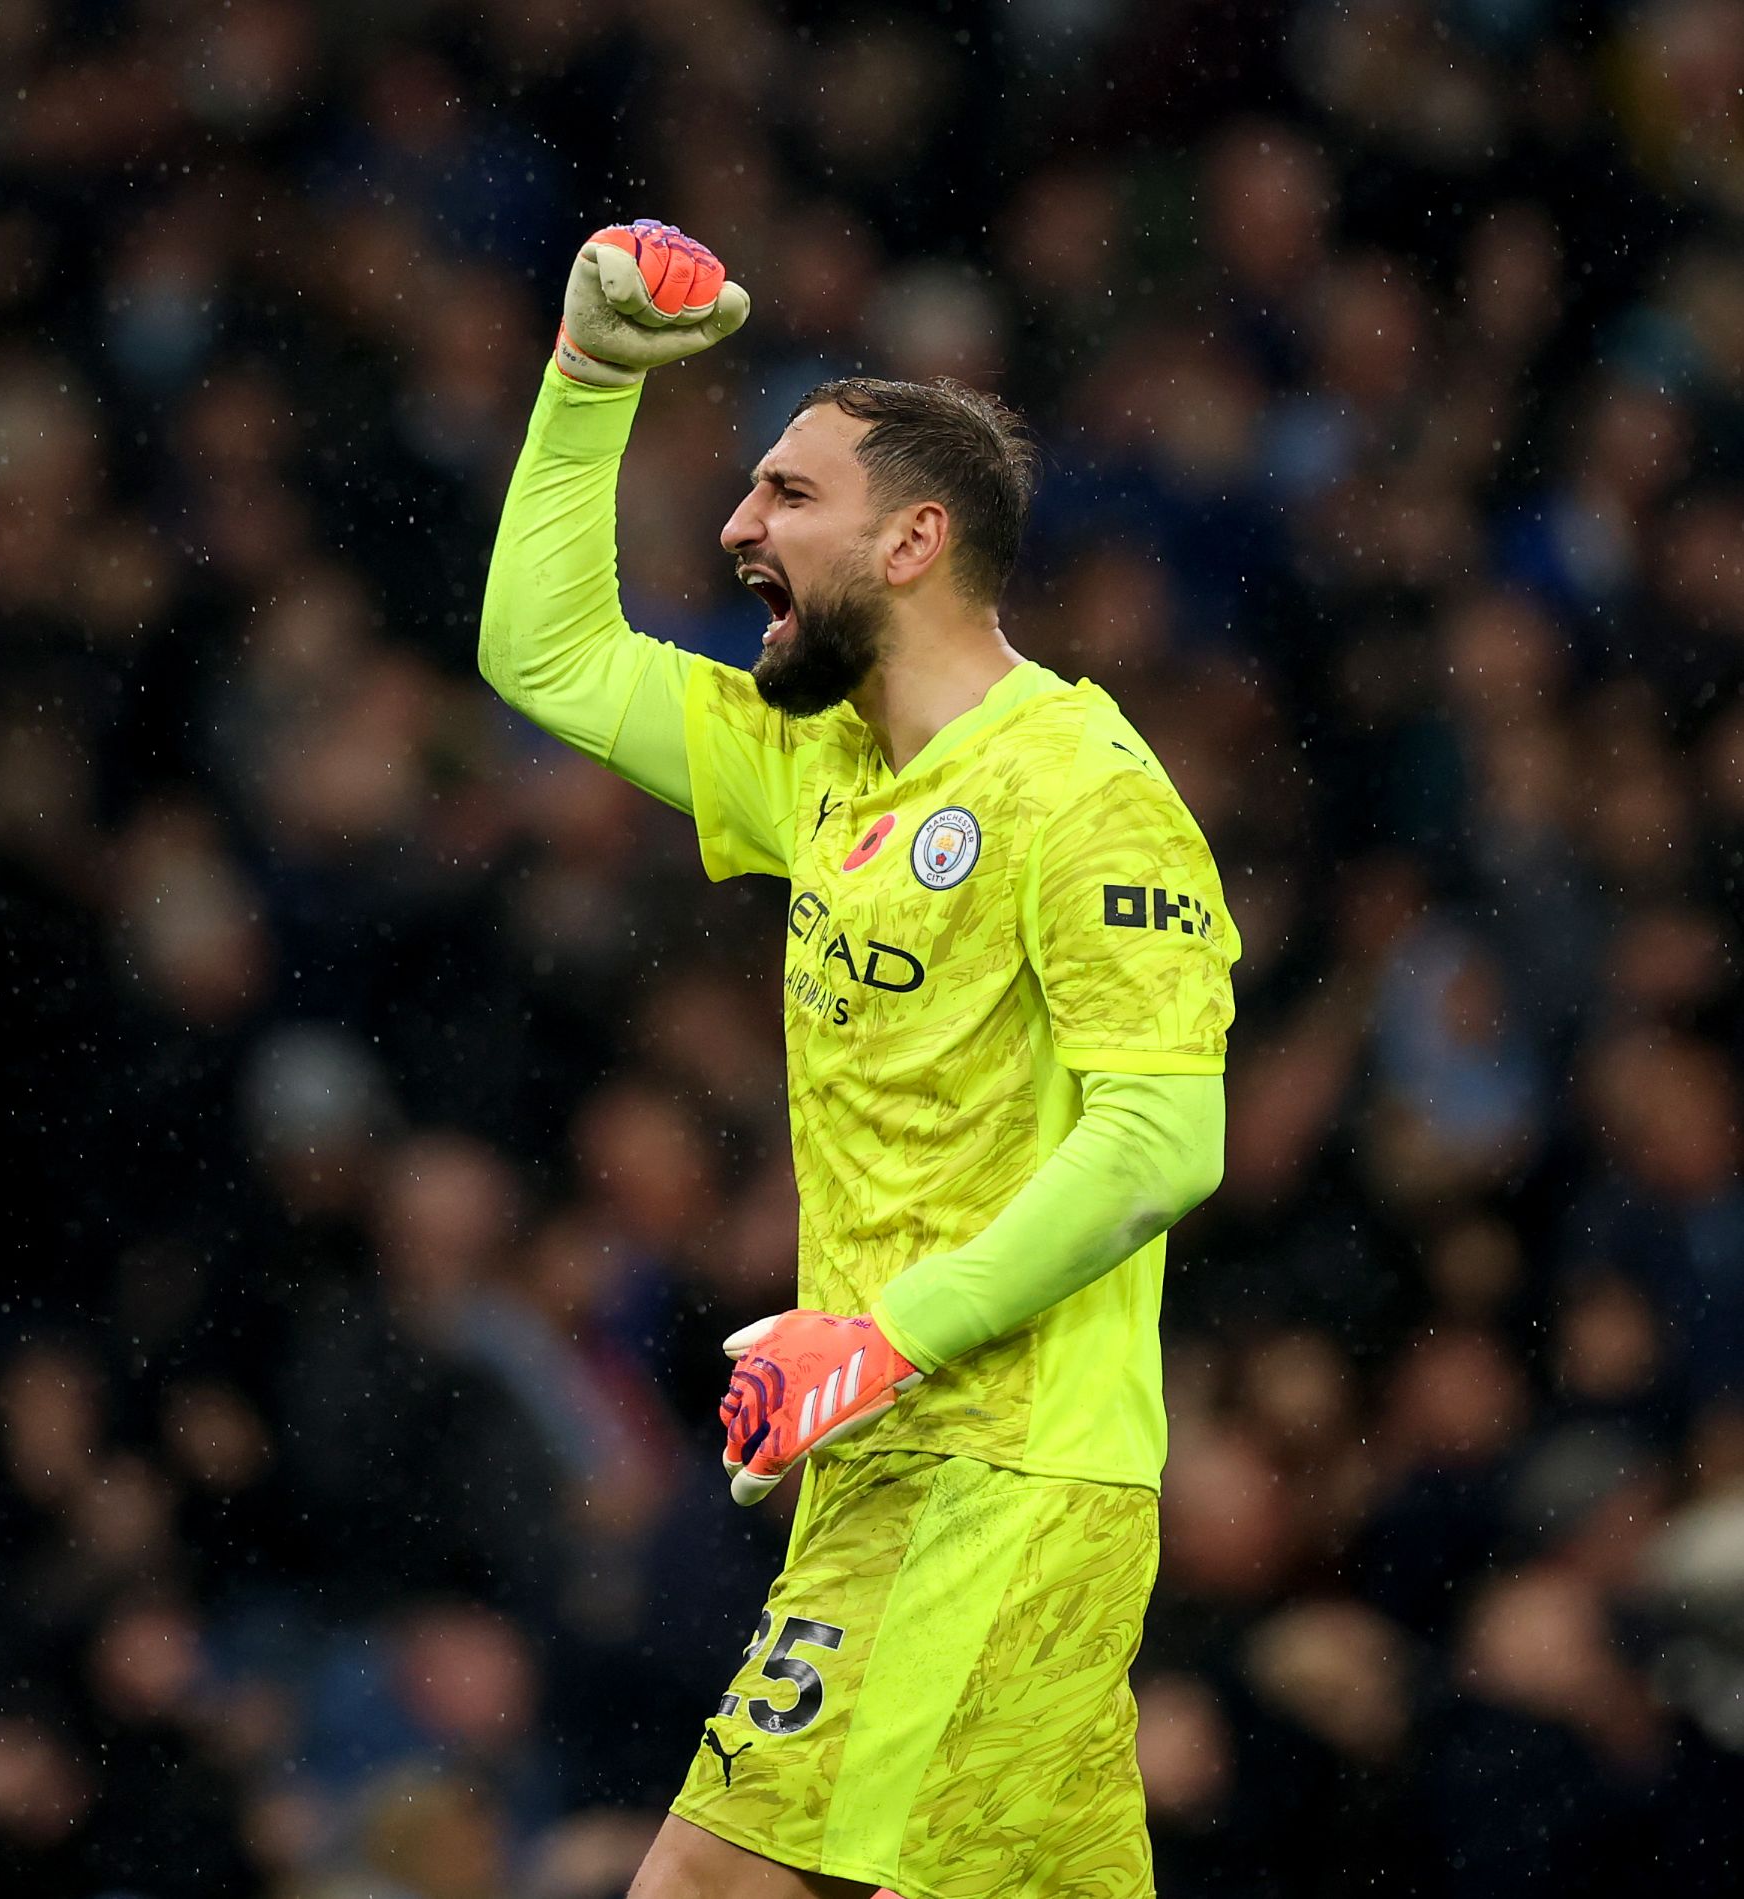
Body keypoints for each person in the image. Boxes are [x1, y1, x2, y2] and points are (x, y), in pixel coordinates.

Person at [481, 221, 1237, 1898]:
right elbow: (545, 657)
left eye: (785, 498)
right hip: (880, 1470)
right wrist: (591, 376)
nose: (737, 524)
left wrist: (883, 1338)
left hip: (1014, 1474)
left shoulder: (1082, 791)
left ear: (914, 538)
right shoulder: (812, 765)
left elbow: (1162, 1145)